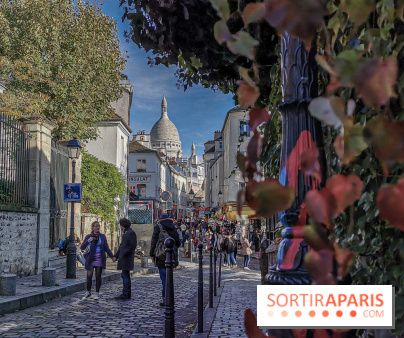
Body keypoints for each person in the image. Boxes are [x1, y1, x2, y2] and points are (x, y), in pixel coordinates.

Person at [150, 213, 181, 306]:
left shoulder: (158, 227)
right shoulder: (173, 227)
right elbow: (178, 242)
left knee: (163, 278)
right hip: (171, 256)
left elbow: (154, 242)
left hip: (160, 256)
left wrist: (152, 254)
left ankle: (165, 298)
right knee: (169, 278)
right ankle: (170, 297)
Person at [80, 221, 114, 300]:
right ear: (92, 227)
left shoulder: (102, 236)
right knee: (89, 275)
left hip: (99, 258)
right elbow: (82, 247)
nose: (97, 227)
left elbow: (106, 248)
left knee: (98, 276)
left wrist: (112, 256)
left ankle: (97, 293)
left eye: (98, 226)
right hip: (91, 259)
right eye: (96, 226)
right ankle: (88, 292)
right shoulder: (88, 236)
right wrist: (89, 241)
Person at [113, 218, 137, 300]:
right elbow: (121, 246)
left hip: (127, 258)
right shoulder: (126, 233)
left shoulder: (130, 233)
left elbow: (132, 246)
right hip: (124, 258)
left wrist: (123, 254)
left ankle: (126, 293)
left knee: (125, 275)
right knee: (125, 275)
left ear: (122, 226)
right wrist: (116, 256)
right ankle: (126, 293)